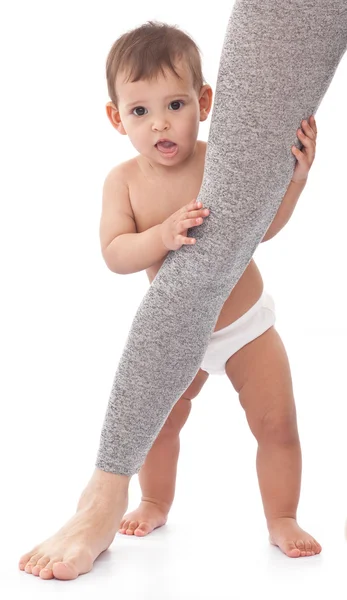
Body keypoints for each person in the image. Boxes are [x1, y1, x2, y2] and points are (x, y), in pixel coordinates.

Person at [20, 1, 347, 580]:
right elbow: (116, 254)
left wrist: (294, 182)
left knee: (277, 425)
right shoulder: (122, 182)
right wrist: (161, 236)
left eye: (175, 106)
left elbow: (259, 229)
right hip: (180, 343)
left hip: (247, 327)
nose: (161, 124)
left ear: (205, 103)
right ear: (116, 118)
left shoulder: (215, 163)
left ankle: (283, 517)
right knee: (162, 425)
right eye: (141, 111)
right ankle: (152, 501)